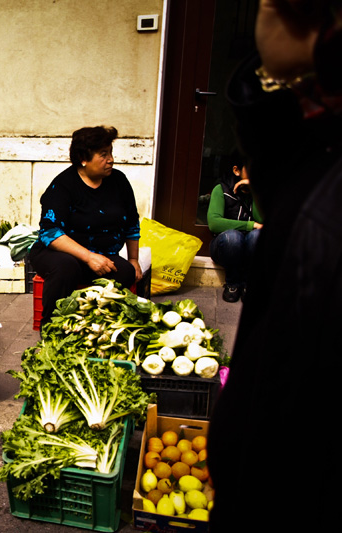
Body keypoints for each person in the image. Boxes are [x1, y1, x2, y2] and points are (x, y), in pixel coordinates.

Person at [208, 1, 342, 530]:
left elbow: (273, 212)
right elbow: (220, 224)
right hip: (273, 480)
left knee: (251, 241)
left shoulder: (325, 219)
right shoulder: (314, 162)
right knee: (236, 242)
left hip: (280, 494)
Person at [28, 126, 142, 329]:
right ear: (83, 158)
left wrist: (133, 260)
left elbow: (132, 222)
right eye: (103, 155)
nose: (111, 160)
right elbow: (50, 232)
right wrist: (88, 257)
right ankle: (53, 328)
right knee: (66, 267)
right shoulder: (63, 186)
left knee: (125, 271)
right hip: (59, 253)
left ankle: (95, 326)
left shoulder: (119, 182)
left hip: (102, 253)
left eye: (111, 153)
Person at [206, 153, 263, 302]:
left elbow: (263, 221)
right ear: (236, 171)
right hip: (225, 246)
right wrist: (250, 225)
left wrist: (255, 192)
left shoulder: (259, 190)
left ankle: (247, 283)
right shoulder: (221, 189)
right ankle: (232, 284)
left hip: (250, 246)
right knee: (233, 237)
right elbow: (214, 223)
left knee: (258, 236)